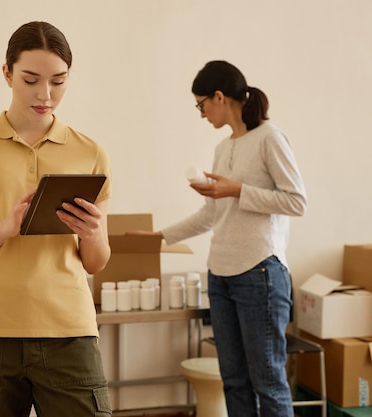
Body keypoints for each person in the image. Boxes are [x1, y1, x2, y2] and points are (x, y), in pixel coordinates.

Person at [0, 21, 113, 417]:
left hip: (69, 331)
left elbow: (95, 262)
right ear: (7, 73)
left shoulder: (90, 151)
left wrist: (95, 233)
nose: (45, 95)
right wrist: (5, 228)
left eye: (58, 81)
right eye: (31, 80)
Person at [131, 61, 307, 417]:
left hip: (260, 273)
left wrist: (237, 189)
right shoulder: (223, 147)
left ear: (219, 97)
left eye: (201, 105)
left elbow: (296, 201)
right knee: (234, 382)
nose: (201, 114)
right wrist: (158, 237)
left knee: (268, 382)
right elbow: (211, 216)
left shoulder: (270, 138)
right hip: (221, 276)